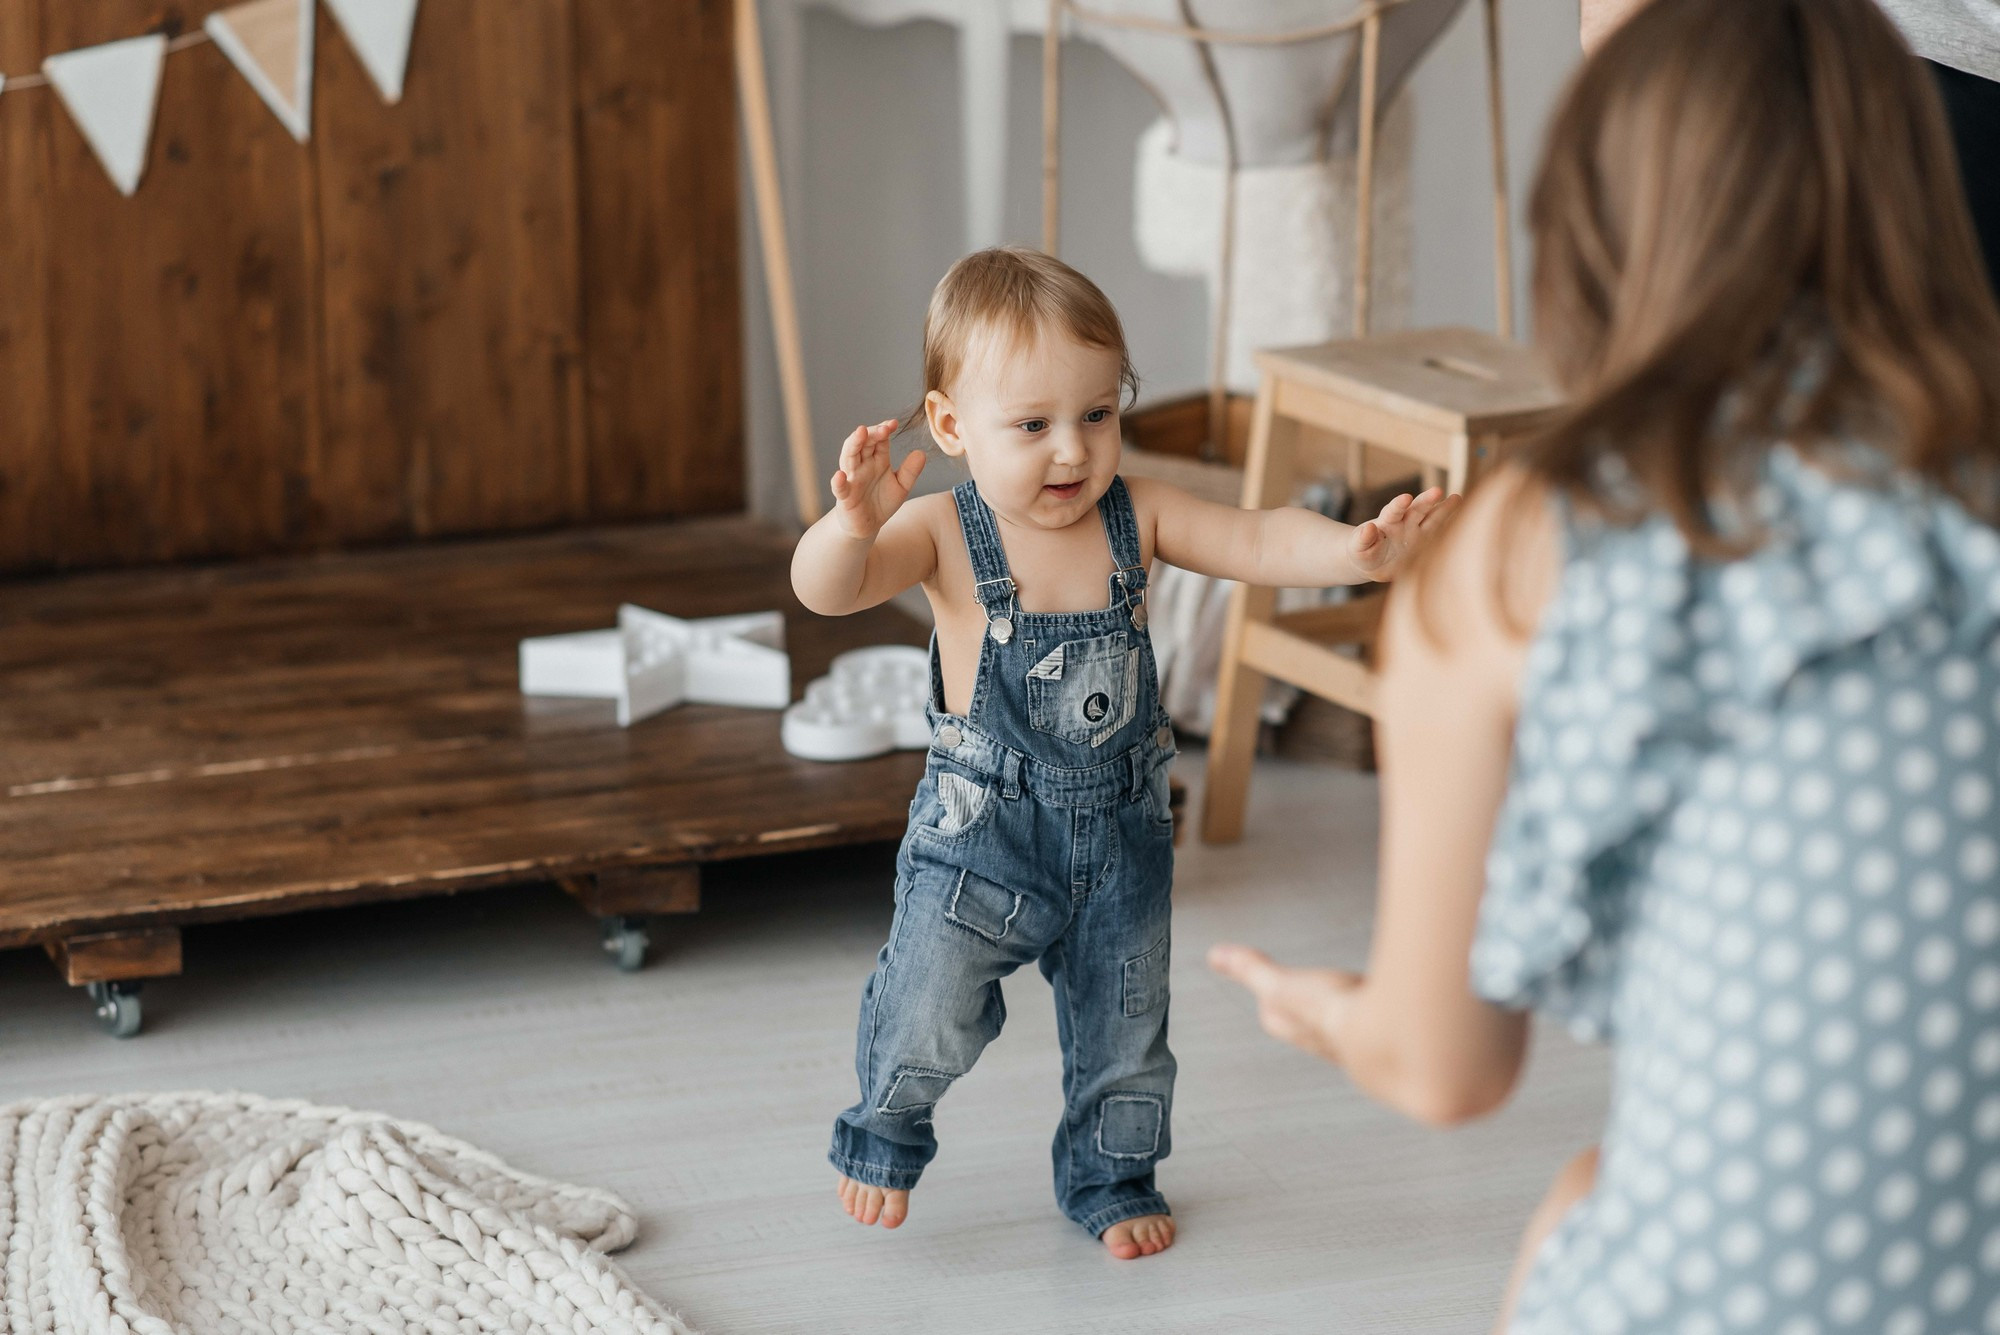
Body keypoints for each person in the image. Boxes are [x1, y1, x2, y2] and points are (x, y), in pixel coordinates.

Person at [1209, 0, 2000, 1328]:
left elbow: (1444, 1070)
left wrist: (1330, 1008)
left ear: (1603, 215)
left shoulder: (1528, 543)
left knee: (1581, 1197)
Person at [791, 246, 1454, 1259]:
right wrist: (847, 525)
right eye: (1031, 426)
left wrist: (1350, 551)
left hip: (1121, 842)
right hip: (980, 846)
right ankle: (884, 1129)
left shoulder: (1134, 513)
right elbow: (826, 591)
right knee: (926, 1007)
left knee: (1125, 1033)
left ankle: (1110, 1175)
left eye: (1096, 415)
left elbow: (1253, 538)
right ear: (952, 425)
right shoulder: (934, 529)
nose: (1071, 452)